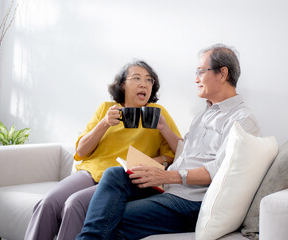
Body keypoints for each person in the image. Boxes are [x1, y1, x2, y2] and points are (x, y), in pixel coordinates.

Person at [76, 44, 260, 240]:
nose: (196, 79)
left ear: (222, 74)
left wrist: (166, 176)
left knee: (111, 218)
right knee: (114, 175)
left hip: (192, 201)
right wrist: (164, 128)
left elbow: (219, 170)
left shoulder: (241, 121)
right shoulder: (204, 115)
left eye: (200, 72)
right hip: (172, 188)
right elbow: (185, 151)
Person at [24, 60, 181, 240]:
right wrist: (104, 123)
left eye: (149, 80)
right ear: (123, 84)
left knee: (74, 204)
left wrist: (161, 134)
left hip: (122, 178)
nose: (143, 84)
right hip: (91, 172)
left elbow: (176, 154)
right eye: (136, 78)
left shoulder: (157, 112)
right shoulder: (106, 109)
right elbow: (81, 151)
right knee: (48, 203)